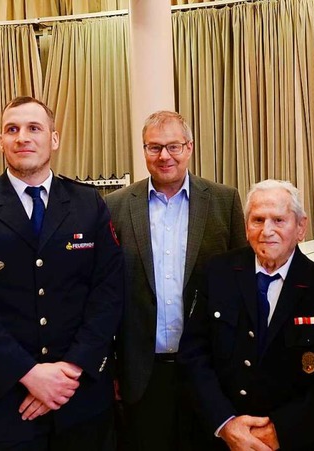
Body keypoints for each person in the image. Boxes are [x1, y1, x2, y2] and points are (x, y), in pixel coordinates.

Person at [0, 96, 124, 450]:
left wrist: (68, 373)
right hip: (2, 407)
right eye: (12, 129)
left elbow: (109, 294)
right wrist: (28, 375)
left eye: (34, 128)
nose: (22, 137)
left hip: (81, 404)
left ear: (53, 139)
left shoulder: (88, 203)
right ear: (1, 142)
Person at [178, 179, 314, 451]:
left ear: (301, 227)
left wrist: (280, 431)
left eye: (278, 220)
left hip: (300, 441)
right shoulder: (217, 274)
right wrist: (226, 423)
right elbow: (194, 354)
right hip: (224, 440)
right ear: (246, 225)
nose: (267, 231)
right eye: (258, 220)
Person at [105, 110, 247, 450]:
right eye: (154, 148)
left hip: (208, 369)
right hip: (142, 372)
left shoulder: (223, 201)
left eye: (173, 146)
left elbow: (240, 285)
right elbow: (106, 292)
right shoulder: (115, 207)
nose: (164, 156)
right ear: (144, 151)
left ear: (190, 148)